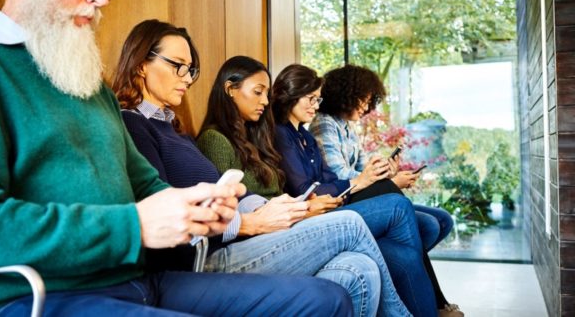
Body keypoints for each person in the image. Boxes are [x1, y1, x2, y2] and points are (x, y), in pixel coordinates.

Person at [0, 0, 355, 316]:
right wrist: (133, 225)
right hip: (31, 298)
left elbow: (144, 182)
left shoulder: (83, 78)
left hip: (134, 283)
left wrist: (200, 205)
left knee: (326, 300)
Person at [112, 19, 414, 317]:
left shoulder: (172, 128)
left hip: (235, 237)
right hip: (206, 258)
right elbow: (163, 213)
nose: (188, 78)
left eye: (190, 70)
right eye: (178, 65)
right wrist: (253, 222)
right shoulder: (133, 125)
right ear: (141, 65)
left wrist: (272, 207)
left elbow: (223, 196)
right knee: (349, 223)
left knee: (358, 269)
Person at [196, 56, 439, 317]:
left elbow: (318, 183)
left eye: (267, 93)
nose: (265, 101)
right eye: (258, 92)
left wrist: (299, 206)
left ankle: (435, 305)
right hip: (259, 237)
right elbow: (231, 206)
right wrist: (301, 207)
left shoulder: (262, 138)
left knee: (370, 263)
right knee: (390, 207)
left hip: (288, 220)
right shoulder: (217, 140)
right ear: (230, 89)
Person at [308, 64, 462, 317]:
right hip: (344, 198)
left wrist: (386, 172)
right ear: (346, 94)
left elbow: (360, 168)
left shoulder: (346, 126)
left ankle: (414, 287)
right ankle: (433, 302)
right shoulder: (324, 124)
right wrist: (388, 183)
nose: (367, 107)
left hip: (358, 191)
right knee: (425, 224)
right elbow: (339, 177)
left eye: (370, 101)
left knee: (441, 221)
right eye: (364, 99)